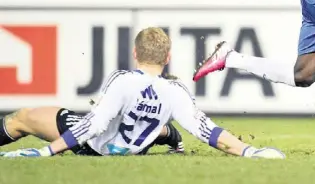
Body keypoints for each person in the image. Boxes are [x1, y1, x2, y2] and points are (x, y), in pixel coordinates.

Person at [0, 27, 284, 159]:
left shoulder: (122, 80)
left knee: (23, 117)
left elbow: (93, 125)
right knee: (153, 126)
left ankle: (168, 136)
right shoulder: (176, 91)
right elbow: (208, 132)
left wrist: (45, 151)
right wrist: (250, 151)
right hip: (136, 146)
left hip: (95, 146)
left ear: (134, 53)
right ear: (168, 57)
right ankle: (170, 137)